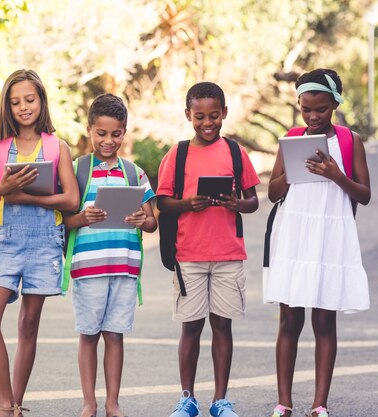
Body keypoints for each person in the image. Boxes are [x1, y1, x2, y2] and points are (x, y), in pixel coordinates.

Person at [0, 69, 78, 417]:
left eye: (30, 100)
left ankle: (13, 404)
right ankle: (4, 402)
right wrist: (3, 190)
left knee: (29, 323)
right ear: (7, 107)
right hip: (8, 240)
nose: (23, 107)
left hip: (45, 241)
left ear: (41, 101)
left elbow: (72, 200)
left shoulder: (56, 146)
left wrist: (28, 198)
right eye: (15, 102)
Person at [263, 69, 371, 417]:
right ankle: (284, 402)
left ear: (335, 105)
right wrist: (294, 173)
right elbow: (273, 192)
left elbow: (365, 195)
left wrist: (335, 174)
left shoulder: (351, 140)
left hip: (329, 236)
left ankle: (319, 404)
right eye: (306, 109)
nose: (312, 117)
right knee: (289, 321)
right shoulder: (291, 137)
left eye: (321, 109)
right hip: (294, 235)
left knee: (324, 322)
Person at [156, 82, 260, 417]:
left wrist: (236, 202)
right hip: (189, 255)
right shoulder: (179, 154)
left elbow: (254, 201)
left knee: (222, 325)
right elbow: (163, 203)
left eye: (214, 115)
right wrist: (188, 203)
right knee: (190, 326)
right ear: (188, 115)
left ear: (224, 113)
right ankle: (187, 399)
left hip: (228, 254)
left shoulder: (234, 152)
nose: (207, 122)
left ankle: (220, 400)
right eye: (199, 116)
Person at [62, 93, 157, 417]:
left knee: (115, 335)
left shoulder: (134, 173)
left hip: (124, 268)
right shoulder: (77, 170)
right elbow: (64, 220)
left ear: (124, 132)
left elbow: (152, 221)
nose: (108, 140)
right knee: (88, 334)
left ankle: (112, 403)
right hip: (88, 269)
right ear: (89, 130)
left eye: (116, 134)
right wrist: (82, 218)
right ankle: (89, 402)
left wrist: (141, 220)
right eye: (101, 133)